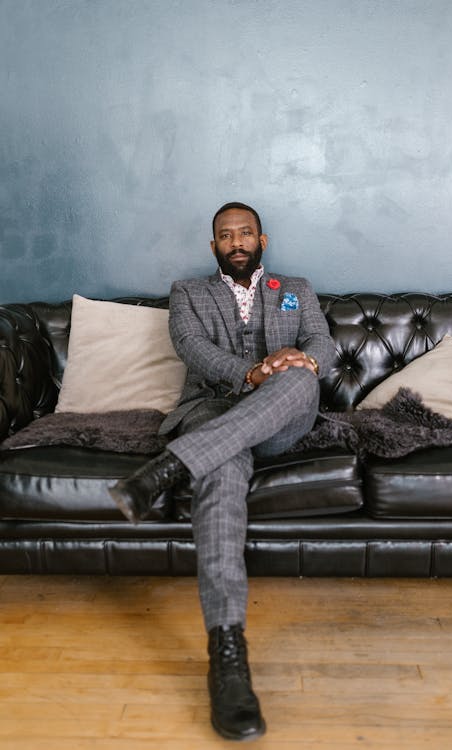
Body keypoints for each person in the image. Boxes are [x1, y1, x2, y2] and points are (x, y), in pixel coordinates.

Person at [109, 202, 335, 741]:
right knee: (221, 475)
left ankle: (168, 469)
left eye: (245, 233)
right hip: (212, 412)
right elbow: (194, 349)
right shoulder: (188, 293)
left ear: (263, 239)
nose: (236, 241)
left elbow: (321, 343)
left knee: (303, 379)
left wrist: (295, 363)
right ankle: (228, 657)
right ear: (213, 247)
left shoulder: (296, 287)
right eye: (225, 235)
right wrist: (253, 372)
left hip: (284, 416)